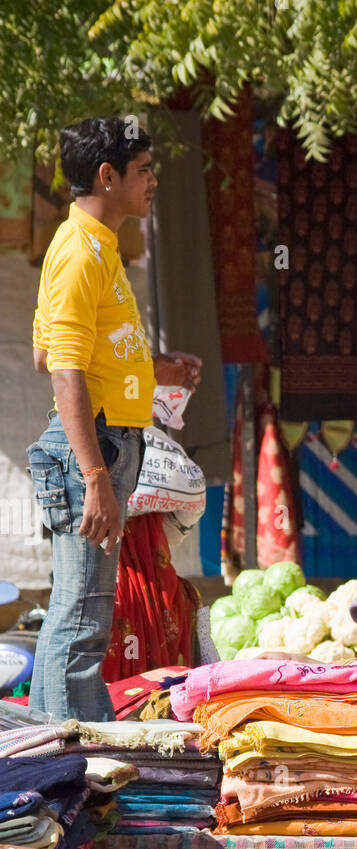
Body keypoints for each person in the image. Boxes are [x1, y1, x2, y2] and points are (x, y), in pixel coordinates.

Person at [27, 116, 201, 722]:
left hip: (102, 445)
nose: (154, 182)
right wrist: (95, 473)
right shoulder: (79, 253)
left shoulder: (97, 244)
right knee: (82, 617)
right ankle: (76, 759)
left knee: (78, 612)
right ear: (107, 175)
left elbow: (53, 349)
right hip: (90, 452)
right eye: (145, 171)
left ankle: (53, 752)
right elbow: (61, 370)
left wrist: (153, 367)